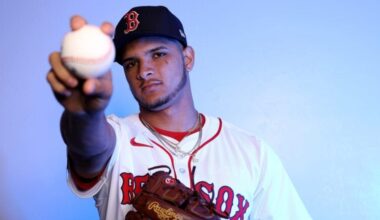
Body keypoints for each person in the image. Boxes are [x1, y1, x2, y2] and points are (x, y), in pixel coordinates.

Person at [47, 5, 312, 220]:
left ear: (188, 58)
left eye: (158, 54)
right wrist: (84, 114)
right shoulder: (115, 138)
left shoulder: (252, 152)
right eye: (131, 63)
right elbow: (87, 146)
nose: (144, 70)